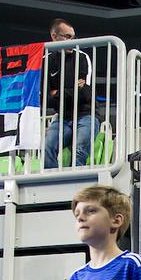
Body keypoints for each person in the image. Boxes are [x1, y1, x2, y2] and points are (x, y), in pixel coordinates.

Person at [44, 18, 99, 170]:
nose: (71, 41)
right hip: (62, 117)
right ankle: (52, 184)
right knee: (46, 148)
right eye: (67, 36)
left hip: (86, 114)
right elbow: (45, 99)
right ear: (54, 37)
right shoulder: (45, 61)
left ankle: (76, 187)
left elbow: (84, 94)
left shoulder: (82, 57)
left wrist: (57, 93)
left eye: (73, 37)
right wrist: (70, 91)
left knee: (79, 152)